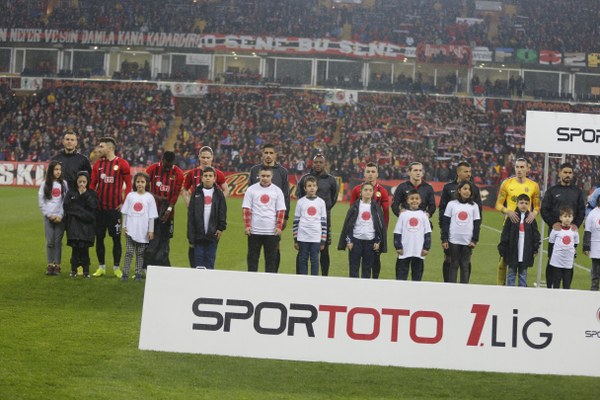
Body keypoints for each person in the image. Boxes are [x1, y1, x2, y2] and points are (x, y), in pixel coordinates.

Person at [89, 137, 132, 278]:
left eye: (101, 146)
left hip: (114, 210)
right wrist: (92, 202)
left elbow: (129, 186)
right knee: (99, 238)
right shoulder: (97, 165)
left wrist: (124, 203)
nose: (98, 149)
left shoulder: (122, 164)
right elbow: (91, 186)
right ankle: (101, 267)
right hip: (99, 210)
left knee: (116, 240)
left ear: (110, 148)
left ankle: (116, 268)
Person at [494, 157, 541, 285]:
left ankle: (521, 289)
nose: (519, 170)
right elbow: (498, 205)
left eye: (522, 167)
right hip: (509, 226)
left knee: (522, 259)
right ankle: (500, 287)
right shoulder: (507, 183)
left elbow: (537, 206)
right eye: (517, 167)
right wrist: (508, 211)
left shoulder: (534, 186)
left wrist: (534, 213)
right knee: (504, 261)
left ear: (528, 168)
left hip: (525, 228)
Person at [182, 146, 229, 267]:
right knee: (194, 245)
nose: (205, 160)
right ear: (199, 157)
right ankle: (195, 269)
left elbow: (226, 189)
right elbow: (184, 189)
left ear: (212, 158)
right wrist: (189, 203)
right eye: (203, 157)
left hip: (211, 217)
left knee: (210, 250)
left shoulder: (217, 173)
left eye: (208, 157)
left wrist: (219, 204)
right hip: (196, 215)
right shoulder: (192, 173)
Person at [541, 162, 586, 288]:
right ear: (560, 173)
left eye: (570, 173)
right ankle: (550, 287)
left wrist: (576, 224)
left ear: (572, 174)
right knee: (551, 260)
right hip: (555, 232)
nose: (567, 175)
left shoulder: (577, 192)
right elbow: (544, 209)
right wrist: (552, 223)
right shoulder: (552, 191)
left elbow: (581, 211)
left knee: (569, 261)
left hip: (570, 234)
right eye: (565, 172)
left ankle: (566, 289)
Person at [249, 144, 290, 273]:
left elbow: (286, 195)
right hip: (257, 220)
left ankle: (273, 275)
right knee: (253, 252)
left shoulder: (282, 172)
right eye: (266, 152)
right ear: (262, 154)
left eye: (271, 153)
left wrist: (285, 217)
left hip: (274, 218)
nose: (268, 155)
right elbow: (249, 195)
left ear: (275, 155)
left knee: (274, 249)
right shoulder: (255, 170)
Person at [438, 161, 482, 282]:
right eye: (466, 171)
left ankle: (464, 285)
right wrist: (444, 232)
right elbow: (442, 209)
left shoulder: (474, 189)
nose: (469, 174)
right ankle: (448, 284)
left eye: (470, 171)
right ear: (458, 172)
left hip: (466, 234)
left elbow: (478, 213)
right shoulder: (448, 188)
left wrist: (474, 237)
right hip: (451, 233)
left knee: (466, 261)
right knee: (449, 258)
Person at [295, 154, 338, 276]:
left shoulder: (331, 180)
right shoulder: (305, 178)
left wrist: (325, 209)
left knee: (324, 249)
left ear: (325, 164)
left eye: (320, 162)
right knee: (302, 250)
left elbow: (333, 198)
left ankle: (324, 276)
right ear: (312, 164)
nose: (318, 164)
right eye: (316, 162)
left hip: (324, 220)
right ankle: (299, 276)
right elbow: (300, 196)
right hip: (305, 221)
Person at [243, 166, 287, 273]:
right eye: (263, 176)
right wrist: (247, 226)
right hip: (254, 231)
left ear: (272, 176)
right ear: (259, 176)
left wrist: (279, 227)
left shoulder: (277, 191)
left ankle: (269, 285)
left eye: (267, 176)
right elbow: (246, 209)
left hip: (271, 232)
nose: (265, 178)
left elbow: (280, 210)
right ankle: (252, 283)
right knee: (252, 261)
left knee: (271, 262)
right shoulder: (251, 189)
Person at [339, 182, 387, 278]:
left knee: (367, 270)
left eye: (370, 190)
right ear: (361, 192)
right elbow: (349, 225)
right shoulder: (355, 207)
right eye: (365, 190)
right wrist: (349, 240)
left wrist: (377, 241)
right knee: (353, 269)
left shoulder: (376, 208)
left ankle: (365, 291)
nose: (368, 192)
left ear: (373, 192)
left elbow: (379, 227)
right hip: (355, 242)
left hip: (370, 243)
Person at [350, 162, 389, 278]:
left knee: (376, 259)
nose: (370, 174)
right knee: (356, 262)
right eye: (368, 171)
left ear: (377, 174)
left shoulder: (382, 191)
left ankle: (375, 280)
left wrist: (383, 230)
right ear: (364, 173)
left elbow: (386, 212)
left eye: (373, 172)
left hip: (375, 233)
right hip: (359, 233)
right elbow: (351, 213)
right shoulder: (357, 190)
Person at [145, 151, 184, 268]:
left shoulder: (179, 173)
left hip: (168, 212)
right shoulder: (152, 169)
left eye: (171, 165)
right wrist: (157, 197)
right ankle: (147, 265)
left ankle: (163, 265)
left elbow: (176, 194)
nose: (168, 167)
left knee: (165, 239)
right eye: (167, 165)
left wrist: (169, 210)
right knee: (151, 238)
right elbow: (143, 189)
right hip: (151, 212)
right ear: (162, 160)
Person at [187, 167, 227, 269]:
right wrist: (190, 235)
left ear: (214, 178)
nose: (208, 178)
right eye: (205, 176)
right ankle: (198, 284)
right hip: (198, 235)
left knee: (210, 261)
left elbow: (222, 212)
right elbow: (191, 215)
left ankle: (209, 284)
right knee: (198, 262)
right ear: (201, 178)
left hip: (212, 234)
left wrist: (220, 228)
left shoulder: (219, 194)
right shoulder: (196, 192)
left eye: (210, 176)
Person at [121, 172, 158, 281]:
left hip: (143, 231)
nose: (140, 184)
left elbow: (151, 216)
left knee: (140, 254)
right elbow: (126, 213)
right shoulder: (130, 196)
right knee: (129, 252)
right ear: (134, 183)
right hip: (130, 230)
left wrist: (151, 231)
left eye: (142, 182)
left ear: (146, 183)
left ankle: (138, 273)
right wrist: (124, 226)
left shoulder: (149, 198)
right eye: (138, 182)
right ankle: (125, 273)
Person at [497, 194, 541, 287]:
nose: (524, 205)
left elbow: (535, 235)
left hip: (525, 251)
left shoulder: (531, 219)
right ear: (517, 204)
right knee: (511, 273)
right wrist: (503, 248)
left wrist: (535, 248)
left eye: (526, 203)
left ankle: (522, 294)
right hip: (512, 251)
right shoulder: (511, 218)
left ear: (529, 205)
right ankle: (510, 293)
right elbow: (505, 234)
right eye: (521, 203)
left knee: (523, 274)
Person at [63, 171, 98, 278]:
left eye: (84, 181)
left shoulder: (91, 193)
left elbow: (93, 207)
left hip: (87, 227)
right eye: (80, 181)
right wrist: (83, 212)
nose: (82, 184)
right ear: (76, 181)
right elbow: (67, 207)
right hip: (74, 226)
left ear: (87, 182)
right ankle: (73, 270)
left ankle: (86, 271)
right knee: (75, 249)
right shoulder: (71, 193)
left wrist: (84, 196)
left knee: (84, 249)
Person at [393, 189, 432, 281]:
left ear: (420, 201)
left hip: (418, 251)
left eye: (417, 198)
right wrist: (398, 246)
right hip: (404, 250)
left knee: (417, 275)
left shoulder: (423, 215)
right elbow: (397, 232)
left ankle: (415, 293)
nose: (414, 200)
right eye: (412, 198)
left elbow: (427, 233)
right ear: (407, 200)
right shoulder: (403, 215)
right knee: (401, 275)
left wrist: (426, 247)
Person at [38, 160, 68, 275]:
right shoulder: (45, 184)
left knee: (58, 242)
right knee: (50, 242)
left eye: (59, 169)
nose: (58, 172)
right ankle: (50, 264)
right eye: (56, 169)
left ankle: (57, 265)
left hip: (60, 218)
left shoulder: (64, 184)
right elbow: (42, 202)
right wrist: (49, 215)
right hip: (48, 218)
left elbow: (65, 202)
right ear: (51, 170)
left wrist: (60, 215)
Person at [293, 176, 327, 276]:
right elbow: (296, 221)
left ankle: (314, 281)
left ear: (317, 187)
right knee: (302, 260)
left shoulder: (321, 202)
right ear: (305, 188)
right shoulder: (300, 202)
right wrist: (295, 239)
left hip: (316, 237)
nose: (312, 188)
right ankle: (303, 280)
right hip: (303, 237)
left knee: (315, 260)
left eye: (314, 186)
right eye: (309, 186)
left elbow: (324, 222)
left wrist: (323, 240)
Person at [547, 206, 579, 289]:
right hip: (557, 261)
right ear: (560, 218)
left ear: (572, 218)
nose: (567, 219)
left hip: (568, 261)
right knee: (556, 282)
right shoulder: (556, 230)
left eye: (569, 216)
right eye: (565, 216)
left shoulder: (574, 230)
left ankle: (566, 301)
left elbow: (575, 243)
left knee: (567, 284)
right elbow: (551, 243)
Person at [583, 196, 600, 291]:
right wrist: (586, 246)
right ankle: (594, 287)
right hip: (596, 246)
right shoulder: (593, 214)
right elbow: (587, 231)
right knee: (596, 268)